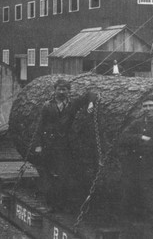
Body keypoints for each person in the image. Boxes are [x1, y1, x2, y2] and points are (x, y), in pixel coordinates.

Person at [33, 79, 97, 212]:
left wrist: (90, 103)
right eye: (59, 89)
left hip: (65, 145)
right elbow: (40, 126)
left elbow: (91, 93)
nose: (62, 91)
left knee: (63, 174)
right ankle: (50, 204)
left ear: (68, 91)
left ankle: (61, 205)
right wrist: (38, 145)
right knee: (49, 174)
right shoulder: (47, 106)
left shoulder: (73, 104)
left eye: (65, 89)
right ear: (55, 90)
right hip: (49, 144)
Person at [118, 95, 153, 224]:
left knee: (150, 207)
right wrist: (141, 137)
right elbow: (123, 137)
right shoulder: (138, 122)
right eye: (145, 106)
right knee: (130, 203)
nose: (147, 109)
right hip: (135, 169)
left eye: (150, 106)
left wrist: (135, 146)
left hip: (150, 171)